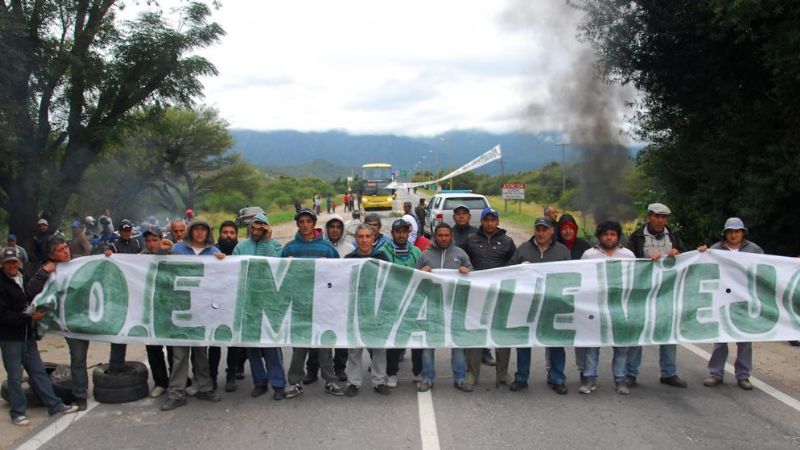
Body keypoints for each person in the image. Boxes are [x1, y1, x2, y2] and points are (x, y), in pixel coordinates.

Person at [0, 247, 79, 425]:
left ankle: (55, 405)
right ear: (2, 264)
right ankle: (18, 412)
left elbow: (30, 297)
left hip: (28, 335)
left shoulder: (22, 278)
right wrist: (28, 316)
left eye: (14, 261)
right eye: (8, 263)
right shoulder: (2, 283)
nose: (12, 265)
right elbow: (3, 315)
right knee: (14, 377)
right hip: (10, 338)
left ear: (19, 262)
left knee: (38, 372)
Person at [161, 217, 224, 411]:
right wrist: (160, 251)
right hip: (181, 309)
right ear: (191, 231)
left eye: (203, 230)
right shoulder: (178, 250)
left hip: (202, 310)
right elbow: (160, 265)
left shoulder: (213, 252)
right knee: (179, 354)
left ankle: (204, 387)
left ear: (208, 232)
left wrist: (223, 261)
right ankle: (176, 393)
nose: (199, 233)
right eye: (196, 229)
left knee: (201, 353)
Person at [282, 209, 344, 398]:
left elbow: (339, 274)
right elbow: (281, 277)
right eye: (302, 221)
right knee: (300, 346)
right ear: (298, 224)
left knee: (324, 344)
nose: (305, 224)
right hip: (299, 305)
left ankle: (330, 381)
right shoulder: (290, 248)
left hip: (323, 305)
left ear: (314, 223)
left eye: (309, 221)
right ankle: (295, 382)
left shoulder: (326, 248)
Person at [625, 202, 688, 388]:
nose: (660, 220)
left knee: (668, 333)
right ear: (649, 217)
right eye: (657, 216)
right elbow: (628, 262)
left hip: (668, 292)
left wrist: (679, 253)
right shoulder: (636, 236)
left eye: (664, 217)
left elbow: (687, 257)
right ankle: (631, 373)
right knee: (638, 332)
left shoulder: (674, 235)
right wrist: (644, 260)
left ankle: (669, 373)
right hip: (642, 292)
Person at [27, 236, 93, 410]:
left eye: (66, 247)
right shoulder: (49, 270)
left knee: (116, 339)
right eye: (60, 250)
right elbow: (32, 290)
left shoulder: (80, 263)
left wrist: (108, 255)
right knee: (78, 359)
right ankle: (80, 395)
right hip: (70, 323)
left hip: (92, 318)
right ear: (52, 255)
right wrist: (44, 272)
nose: (65, 252)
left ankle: (116, 372)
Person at [508, 217, 571, 394]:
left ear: (552, 231)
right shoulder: (523, 249)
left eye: (545, 229)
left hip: (553, 305)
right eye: (538, 229)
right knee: (523, 341)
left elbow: (571, 277)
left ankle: (557, 378)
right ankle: (521, 377)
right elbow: (509, 272)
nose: (541, 233)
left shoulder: (562, 251)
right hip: (527, 305)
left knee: (556, 342)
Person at [698, 217, 763, 391]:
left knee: (745, 339)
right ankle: (716, 374)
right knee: (720, 338)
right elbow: (704, 269)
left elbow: (764, 271)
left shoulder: (754, 249)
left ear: (743, 233)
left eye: (737, 231)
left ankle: (743, 376)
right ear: (725, 233)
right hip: (722, 298)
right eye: (730, 232)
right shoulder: (715, 249)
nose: (733, 235)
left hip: (744, 299)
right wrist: (702, 254)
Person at [232, 214, 288, 400]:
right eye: (253, 228)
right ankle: (260, 382)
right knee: (252, 347)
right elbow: (232, 270)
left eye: (260, 229)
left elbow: (277, 267)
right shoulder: (240, 247)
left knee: (271, 345)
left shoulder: (275, 246)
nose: (256, 232)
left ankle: (278, 383)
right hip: (248, 302)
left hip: (270, 300)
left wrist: (269, 240)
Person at [578, 221, 637, 395]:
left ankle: (620, 380)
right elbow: (581, 278)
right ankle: (589, 379)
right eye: (605, 234)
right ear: (599, 236)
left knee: (620, 346)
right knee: (592, 345)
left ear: (618, 236)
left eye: (612, 234)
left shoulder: (628, 255)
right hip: (595, 307)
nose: (609, 237)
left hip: (620, 307)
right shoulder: (589, 255)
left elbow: (636, 278)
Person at [461, 207, 516, 384]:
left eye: (493, 220)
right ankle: (472, 374)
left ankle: (502, 374)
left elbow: (515, 264)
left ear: (498, 222)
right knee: (476, 335)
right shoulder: (471, 240)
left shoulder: (507, 241)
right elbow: (458, 258)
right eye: (487, 220)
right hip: (477, 296)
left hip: (500, 296)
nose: (490, 223)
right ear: (482, 221)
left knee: (502, 335)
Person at [415, 223, 473, 392]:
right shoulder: (425, 254)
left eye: (447, 235)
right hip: (431, 307)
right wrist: (421, 272)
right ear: (435, 236)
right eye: (440, 235)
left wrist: (467, 270)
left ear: (451, 236)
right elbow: (413, 278)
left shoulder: (460, 254)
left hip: (455, 308)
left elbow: (473, 275)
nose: (443, 238)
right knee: (428, 344)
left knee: (457, 344)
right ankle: (427, 377)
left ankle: (460, 378)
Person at [343, 224, 391, 397]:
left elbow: (389, 283)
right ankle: (353, 382)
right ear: (356, 239)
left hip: (376, 309)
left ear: (373, 239)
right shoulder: (348, 259)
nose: (364, 240)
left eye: (367, 237)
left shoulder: (382, 258)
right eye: (360, 237)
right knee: (354, 348)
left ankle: (379, 381)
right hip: (355, 309)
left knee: (379, 347)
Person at [381, 219, 423, 388]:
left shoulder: (416, 251)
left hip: (413, 303)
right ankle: (391, 373)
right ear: (392, 233)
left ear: (408, 233)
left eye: (404, 231)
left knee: (417, 340)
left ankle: (418, 371)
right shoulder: (384, 251)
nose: (401, 235)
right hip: (394, 304)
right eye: (398, 231)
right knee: (394, 341)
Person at [209, 220, 248, 393]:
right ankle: (211, 377)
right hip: (215, 302)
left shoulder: (242, 251)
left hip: (235, 302)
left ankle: (232, 374)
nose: (228, 236)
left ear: (236, 235)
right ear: (220, 234)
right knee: (214, 342)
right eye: (225, 232)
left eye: (232, 233)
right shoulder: (211, 251)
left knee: (234, 342)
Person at [556, 214, 592, 384]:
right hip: (557, 298)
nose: (567, 231)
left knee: (582, 335)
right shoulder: (553, 246)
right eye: (564, 228)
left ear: (575, 229)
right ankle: (554, 372)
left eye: (570, 227)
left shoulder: (585, 247)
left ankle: (584, 370)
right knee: (555, 337)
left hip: (580, 300)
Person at [140, 226, 173, 398]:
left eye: (155, 240)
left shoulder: (171, 254)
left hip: (169, 307)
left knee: (174, 348)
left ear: (161, 239)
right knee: (153, 348)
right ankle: (161, 382)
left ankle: (179, 381)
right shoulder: (138, 259)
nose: (152, 244)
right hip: (150, 309)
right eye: (148, 241)